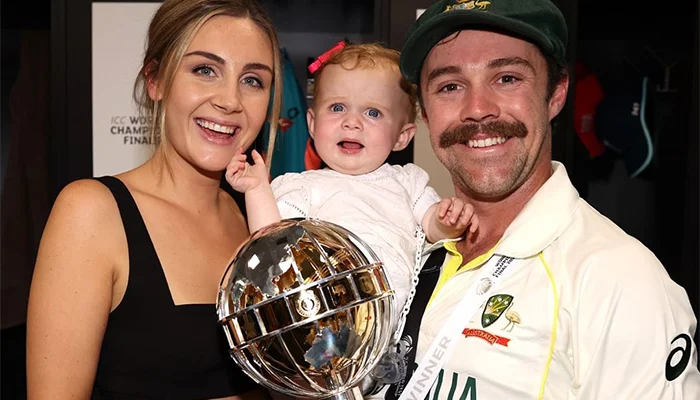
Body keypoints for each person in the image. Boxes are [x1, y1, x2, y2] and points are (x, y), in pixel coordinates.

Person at [368, 0, 700, 399]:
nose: (478, 110)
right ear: (423, 110)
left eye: (507, 78)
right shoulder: (404, 240)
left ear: (556, 94)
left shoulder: (619, 277)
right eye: (450, 86)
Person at [25, 0, 283, 398]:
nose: (230, 101)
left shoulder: (259, 222)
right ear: (155, 80)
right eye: (205, 70)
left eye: (252, 80)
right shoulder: (92, 212)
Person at [225, 43, 478, 325]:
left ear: (402, 137)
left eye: (373, 113)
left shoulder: (408, 182)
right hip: (323, 320)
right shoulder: (302, 187)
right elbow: (271, 245)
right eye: (337, 107)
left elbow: (432, 225)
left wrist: (448, 222)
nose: (352, 122)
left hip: (398, 328)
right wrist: (257, 189)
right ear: (312, 123)